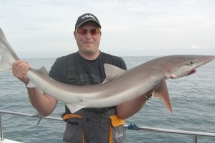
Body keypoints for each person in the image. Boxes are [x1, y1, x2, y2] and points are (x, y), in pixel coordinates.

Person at [12, 13, 152, 143]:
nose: (88, 36)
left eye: (94, 31)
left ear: (100, 34)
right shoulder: (62, 64)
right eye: (83, 31)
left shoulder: (117, 64)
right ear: (75, 34)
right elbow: (46, 109)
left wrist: (146, 92)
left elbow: (122, 112)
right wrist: (29, 83)